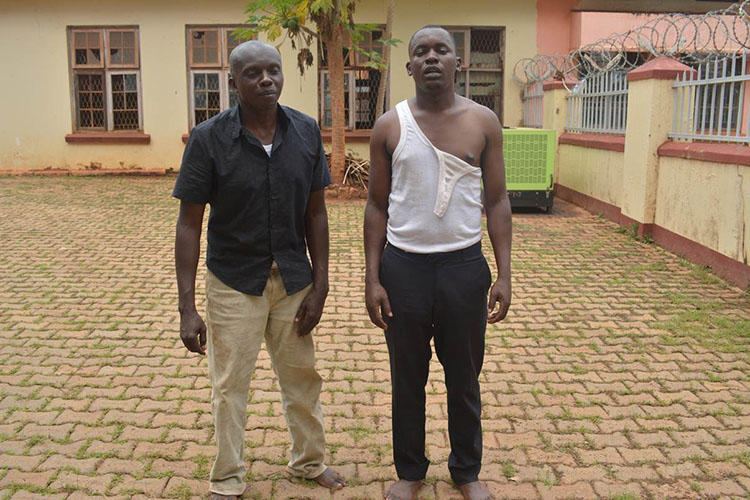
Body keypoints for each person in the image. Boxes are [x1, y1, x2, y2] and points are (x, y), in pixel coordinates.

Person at [173, 40, 345, 500]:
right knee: (230, 385)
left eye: (274, 70)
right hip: (234, 282)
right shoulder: (209, 138)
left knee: (302, 377)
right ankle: (228, 477)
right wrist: (187, 308)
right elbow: (190, 224)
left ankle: (309, 462)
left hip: (292, 279)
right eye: (253, 73)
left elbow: (316, 214)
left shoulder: (306, 131)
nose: (266, 79)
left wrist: (321, 285)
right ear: (233, 82)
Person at [364, 26, 512, 500]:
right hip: (403, 269)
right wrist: (373, 277)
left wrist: (504, 272)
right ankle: (410, 472)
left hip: (463, 269)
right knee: (407, 377)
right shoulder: (390, 126)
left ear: (457, 62)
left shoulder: (484, 122)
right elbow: (376, 206)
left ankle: (466, 472)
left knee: (464, 377)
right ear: (408, 66)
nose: (431, 58)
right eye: (420, 51)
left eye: (441, 50)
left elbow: (497, 201)